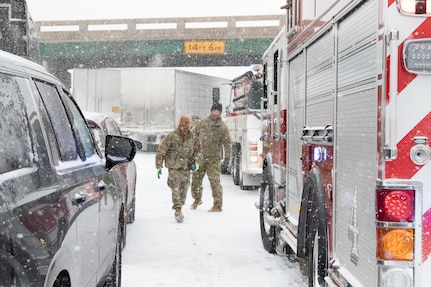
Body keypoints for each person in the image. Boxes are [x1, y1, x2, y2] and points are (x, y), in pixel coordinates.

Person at [155, 115, 198, 223]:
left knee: (184, 189)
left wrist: (196, 162)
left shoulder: (192, 137)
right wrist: (158, 166)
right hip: (174, 167)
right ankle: (178, 210)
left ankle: (180, 205)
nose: (185, 127)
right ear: (180, 125)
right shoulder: (172, 136)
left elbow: (198, 151)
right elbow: (161, 151)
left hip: (186, 167)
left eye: (187, 124)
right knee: (175, 188)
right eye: (184, 124)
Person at [190, 101, 231, 212]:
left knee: (215, 182)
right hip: (200, 158)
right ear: (211, 111)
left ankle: (217, 205)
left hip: (213, 159)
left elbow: (227, 143)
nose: (215, 112)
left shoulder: (222, 127)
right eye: (214, 110)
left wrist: (227, 159)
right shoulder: (203, 123)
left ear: (220, 112)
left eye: (218, 111)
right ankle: (197, 199)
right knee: (195, 180)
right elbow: (192, 134)